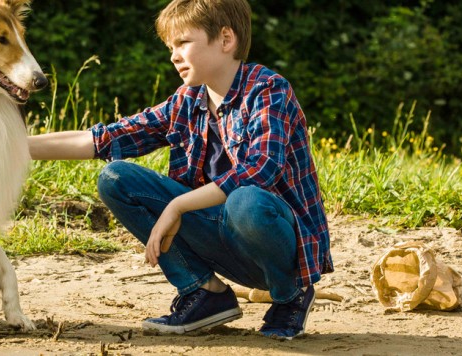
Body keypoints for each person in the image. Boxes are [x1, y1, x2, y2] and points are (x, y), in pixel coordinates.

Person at [26, 0, 331, 340]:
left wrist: (177, 205)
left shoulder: (268, 89)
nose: (173, 55)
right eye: (170, 46)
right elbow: (105, 138)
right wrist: (15, 147)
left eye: (183, 42)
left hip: (277, 246)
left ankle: (290, 296)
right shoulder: (187, 100)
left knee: (245, 200)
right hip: (224, 241)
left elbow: (260, 169)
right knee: (116, 178)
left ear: (225, 40)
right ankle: (204, 293)